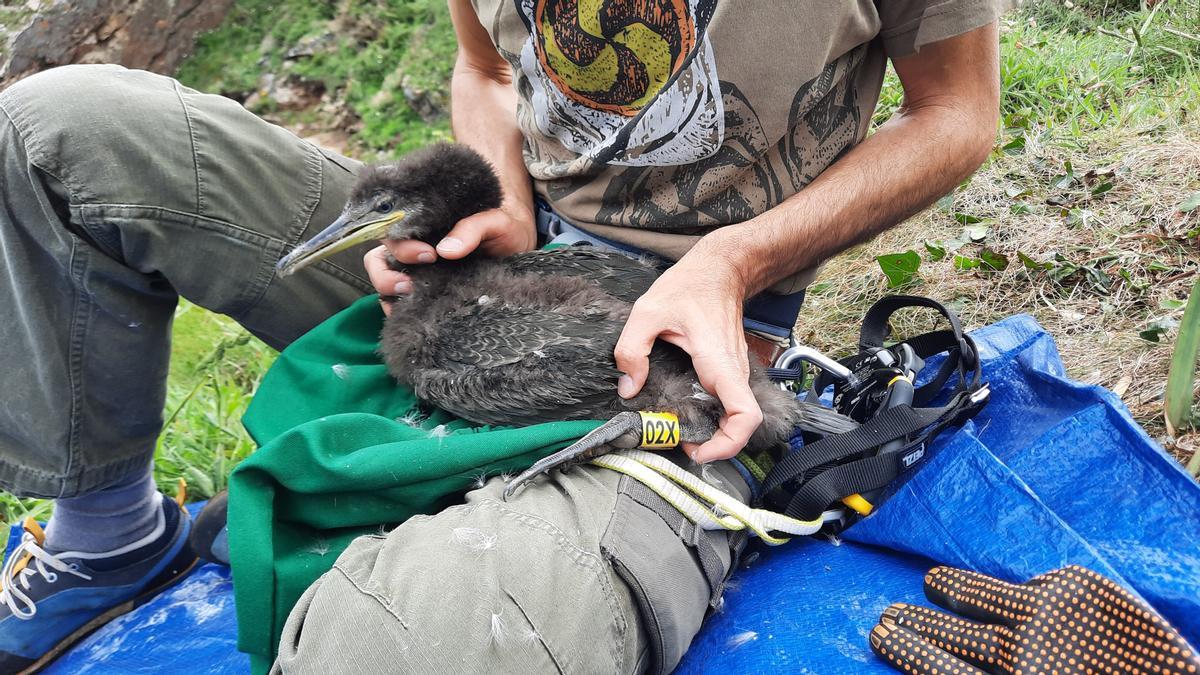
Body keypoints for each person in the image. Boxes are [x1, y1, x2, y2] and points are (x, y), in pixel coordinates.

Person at [0, 1, 1006, 672]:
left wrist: (734, 259)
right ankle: (109, 545)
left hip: (682, 360)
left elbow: (956, 113)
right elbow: (482, 70)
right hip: (487, 273)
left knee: (414, 642)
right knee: (62, 129)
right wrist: (498, 203)